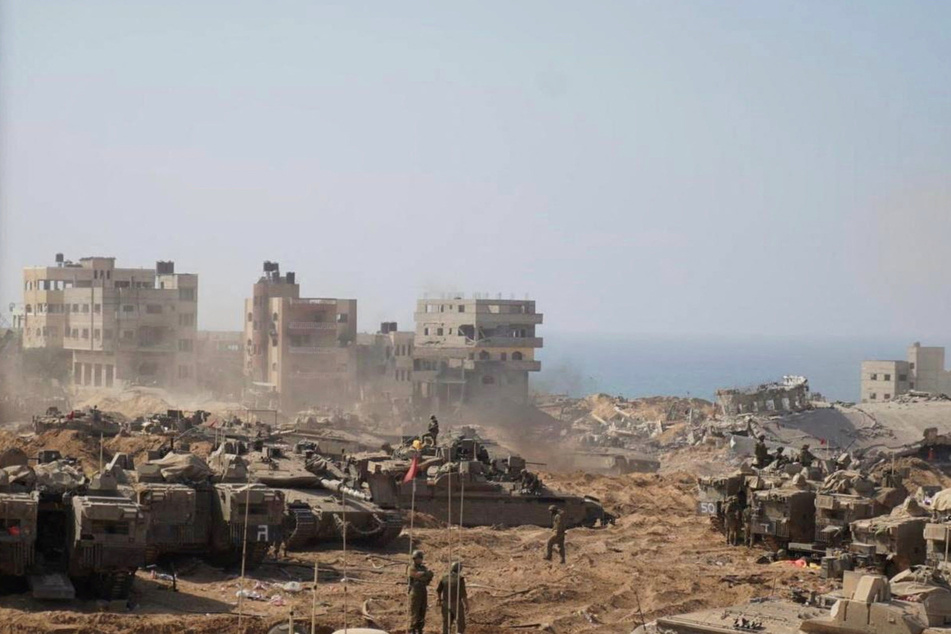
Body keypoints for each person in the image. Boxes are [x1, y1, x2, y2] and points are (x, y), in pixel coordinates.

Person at [436, 561, 469, 634]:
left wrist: (439, 599)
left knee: (446, 624)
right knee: (460, 623)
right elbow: (463, 594)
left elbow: (438, 590)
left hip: (445, 603)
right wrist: (466, 605)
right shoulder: (460, 579)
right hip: (456, 603)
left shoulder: (444, 577)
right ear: (459, 569)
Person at [407, 550, 434, 634]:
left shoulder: (423, 568)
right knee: (415, 611)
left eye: (420, 558)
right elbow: (415, 575)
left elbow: (430, 575)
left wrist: (422, 575)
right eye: (418, 558)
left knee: (422, 610)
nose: (420, 560)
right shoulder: (411, 567)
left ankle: (420, 629)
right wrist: (423, 575)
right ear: (415, 559)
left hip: (423, 590)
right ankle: (413, 629)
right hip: (415, 591)